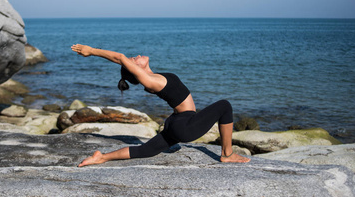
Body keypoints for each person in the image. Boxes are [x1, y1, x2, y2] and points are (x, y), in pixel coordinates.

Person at [71, 44, 250, 167]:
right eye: (134, 59)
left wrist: (103, 158)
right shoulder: (149, 82)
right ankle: (227, 154)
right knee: (225, 106)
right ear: (136, 70)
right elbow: (119, 58)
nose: (137, 56)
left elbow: (124, 61)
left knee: (146, 150)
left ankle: (102, 157)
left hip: (177, 122)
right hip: (184, 125)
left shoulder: (153, 77)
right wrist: (91, 50)